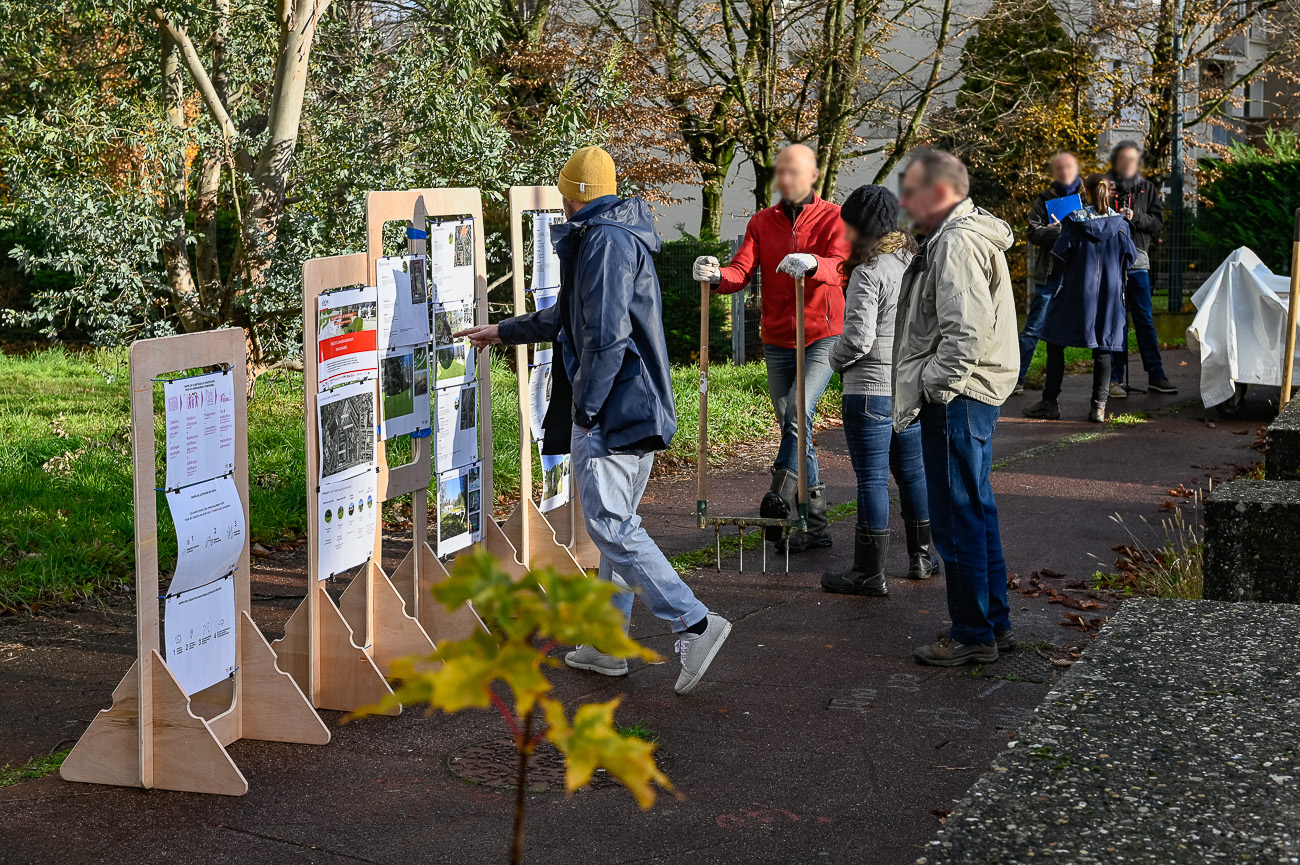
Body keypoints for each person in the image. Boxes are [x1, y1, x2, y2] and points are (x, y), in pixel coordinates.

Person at [456, 146, 731, 695]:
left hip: (615, 409)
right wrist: (504, 331)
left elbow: (605, 337)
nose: (560, 200)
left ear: (574, 191)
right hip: (635, 404)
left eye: (563, 191)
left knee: (611, 526)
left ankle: (695, 623)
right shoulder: (611, 233)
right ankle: (608, 647)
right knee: (616, 528)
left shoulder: (602, 240)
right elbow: (571, 316)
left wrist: (585, 410)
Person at [893, 150, 1018, 667]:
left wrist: (935, 384)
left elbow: (965, 332)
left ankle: (972, 632)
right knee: (976, 509)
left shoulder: (957, 242)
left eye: (912, 191)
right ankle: (992, 624)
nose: (904, 202)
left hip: (959, 395)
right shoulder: (960, 236)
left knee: (956, 515)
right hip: (970, 392)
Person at [691, 144, 849, 554]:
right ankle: (815, 527)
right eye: (781, 172)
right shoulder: (762, 222)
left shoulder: (834, 217)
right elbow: (741, 270)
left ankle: (778, 499)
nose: (786, 179)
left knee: (798, 413)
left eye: (794, 171)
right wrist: (715, 274)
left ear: (812, 175)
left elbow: (841, 265)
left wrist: (814, 264)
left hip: (822, 334)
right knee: (796, 428)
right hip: (777, 337)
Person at [820, 185, 937, 598]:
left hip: (867, 391)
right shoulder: (914, 264)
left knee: (871, 479)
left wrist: (830, 360)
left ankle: (870, 573)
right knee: (913, 474)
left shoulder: (869, 273)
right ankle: (922, 556)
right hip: (907, 389)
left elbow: (857, 340)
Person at [1023, 174, 1136, 423]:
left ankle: (1050, 402)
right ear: (1110, 194)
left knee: (1054, 340)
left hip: (1076, 293)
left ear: (1085, 193)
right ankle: (1099, 406)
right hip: (1109, 296)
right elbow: (1131, 258)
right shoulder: (1122, 225)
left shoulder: (1074, 222)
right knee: (1103, 348)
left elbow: (1060, 256)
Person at [1107, 140, 1177, 397]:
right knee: (1117, 322)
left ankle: (1156, 375)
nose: (1127, 164)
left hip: (1138, 261)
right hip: (1110, 263)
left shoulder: (1147, 188)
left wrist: (1134, 217)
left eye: (1132, 159)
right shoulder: (1106, 187)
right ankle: (1114, 379)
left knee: (1145, 320)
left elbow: (1158, 223)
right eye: (1123, 159)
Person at [1017, 152, 1081, 394]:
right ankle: (1018, 380)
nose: (1064, 172)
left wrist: (1067, 230)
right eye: (1060, 168)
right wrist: (1058, 231)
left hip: (1077, 276)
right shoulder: (1044, 199)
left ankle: (1100, 387)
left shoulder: (1085, 199)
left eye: (1069, 168)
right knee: (1033, 329)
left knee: (1073, 331)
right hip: (1050, 274)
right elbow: (1032, 233)